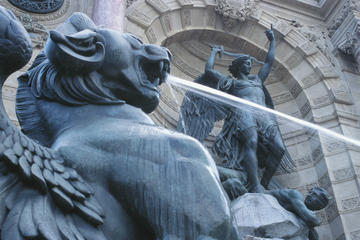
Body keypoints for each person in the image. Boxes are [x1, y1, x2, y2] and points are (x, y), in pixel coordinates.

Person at [204, 25, 290, 193]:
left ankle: (264, 182)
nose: (249, 65)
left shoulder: (258, 80)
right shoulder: (233, 83)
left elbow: (269, 61)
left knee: (279, 150)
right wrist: (214, 51)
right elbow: (209, 71)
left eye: (250, 63)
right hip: (243, 113)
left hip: (264, 115)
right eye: (246, 63)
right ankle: (254, 184)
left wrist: (272, 41)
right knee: (251, 142)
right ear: (238, 67)